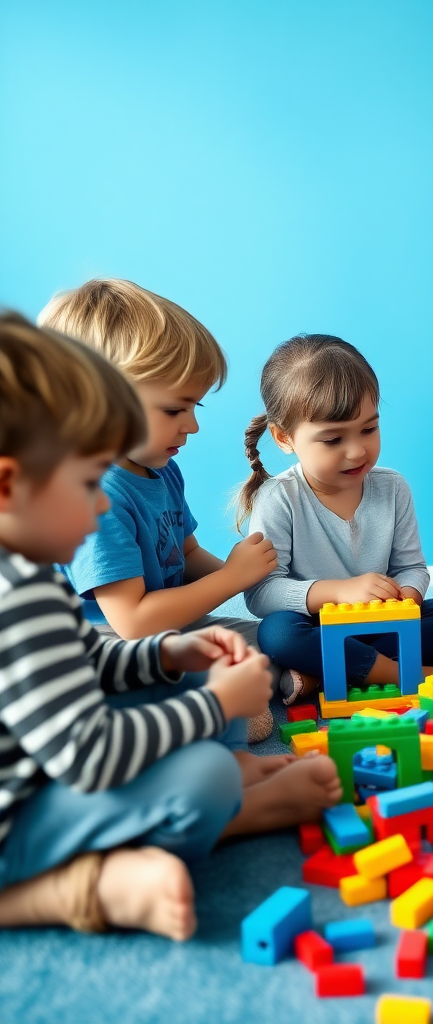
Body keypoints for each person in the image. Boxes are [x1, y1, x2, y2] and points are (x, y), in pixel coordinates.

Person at [0, 313, 272, 941]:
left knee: (214, 674)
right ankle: (74, 886)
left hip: (45, 766)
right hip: (18, 816)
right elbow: (90, 752)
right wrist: (210, 710)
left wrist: (172, 655)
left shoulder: (28, 571)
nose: (101, 503)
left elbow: (87, 659)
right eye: (90, 483)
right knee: (204, 773)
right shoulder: (19, 595)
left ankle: (231, 773)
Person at [40, 279, 277, 743]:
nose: (191, 425)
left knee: (269, 641)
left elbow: (184, 555)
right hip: (107, 645)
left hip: (169, 624)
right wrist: (230, 580)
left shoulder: (159, 467)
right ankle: (209, 716)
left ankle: (233, 698)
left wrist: (259, 577)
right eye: (175, 409)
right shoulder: (95, 495)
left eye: (195, 405)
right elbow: (132, 621)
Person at [240, 334, 433, 703]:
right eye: (333, 440)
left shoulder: (393, 488)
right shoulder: (279, 498)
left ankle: (332, 673)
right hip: (316, 627)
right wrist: (337, 592)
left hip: (383, 624)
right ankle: (394, 672)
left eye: (369, 429)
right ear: (284, 438)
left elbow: (412, 567)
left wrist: (408, 596)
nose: (357, 451)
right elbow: (261, 593)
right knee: (278, 634)